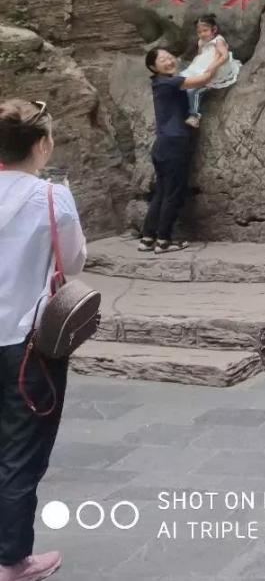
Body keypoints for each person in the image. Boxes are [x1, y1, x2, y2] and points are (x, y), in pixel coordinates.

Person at [0, 99, 88, 581]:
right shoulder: (53, 198)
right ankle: (12, 561)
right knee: (20, 453)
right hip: (26, 346)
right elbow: (73, 262)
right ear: (42, 145)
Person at [140, 46, 227, 254]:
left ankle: (147, 238)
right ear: (153, 67)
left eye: (170, 56)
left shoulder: (160, 83)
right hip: (174, 144)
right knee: (173, 194)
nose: (169, 61)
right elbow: (203, 80)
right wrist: (219, 59)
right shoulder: (169, 82)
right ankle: (164, 241)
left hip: (162, 145)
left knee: (161, 192)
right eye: (163, 60)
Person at [180, 13, 241, 129]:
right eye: (199, 32)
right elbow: (200, 55)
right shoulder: (201, 42)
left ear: (214, 29)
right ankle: (184, 109)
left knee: (194, 90)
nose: (202, 34)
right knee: (185, 85)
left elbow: (225, 56)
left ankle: (195, 116)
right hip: (202, 66)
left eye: (205, 30)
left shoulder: (218, 40)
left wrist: (214, 66)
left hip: (216, 69)